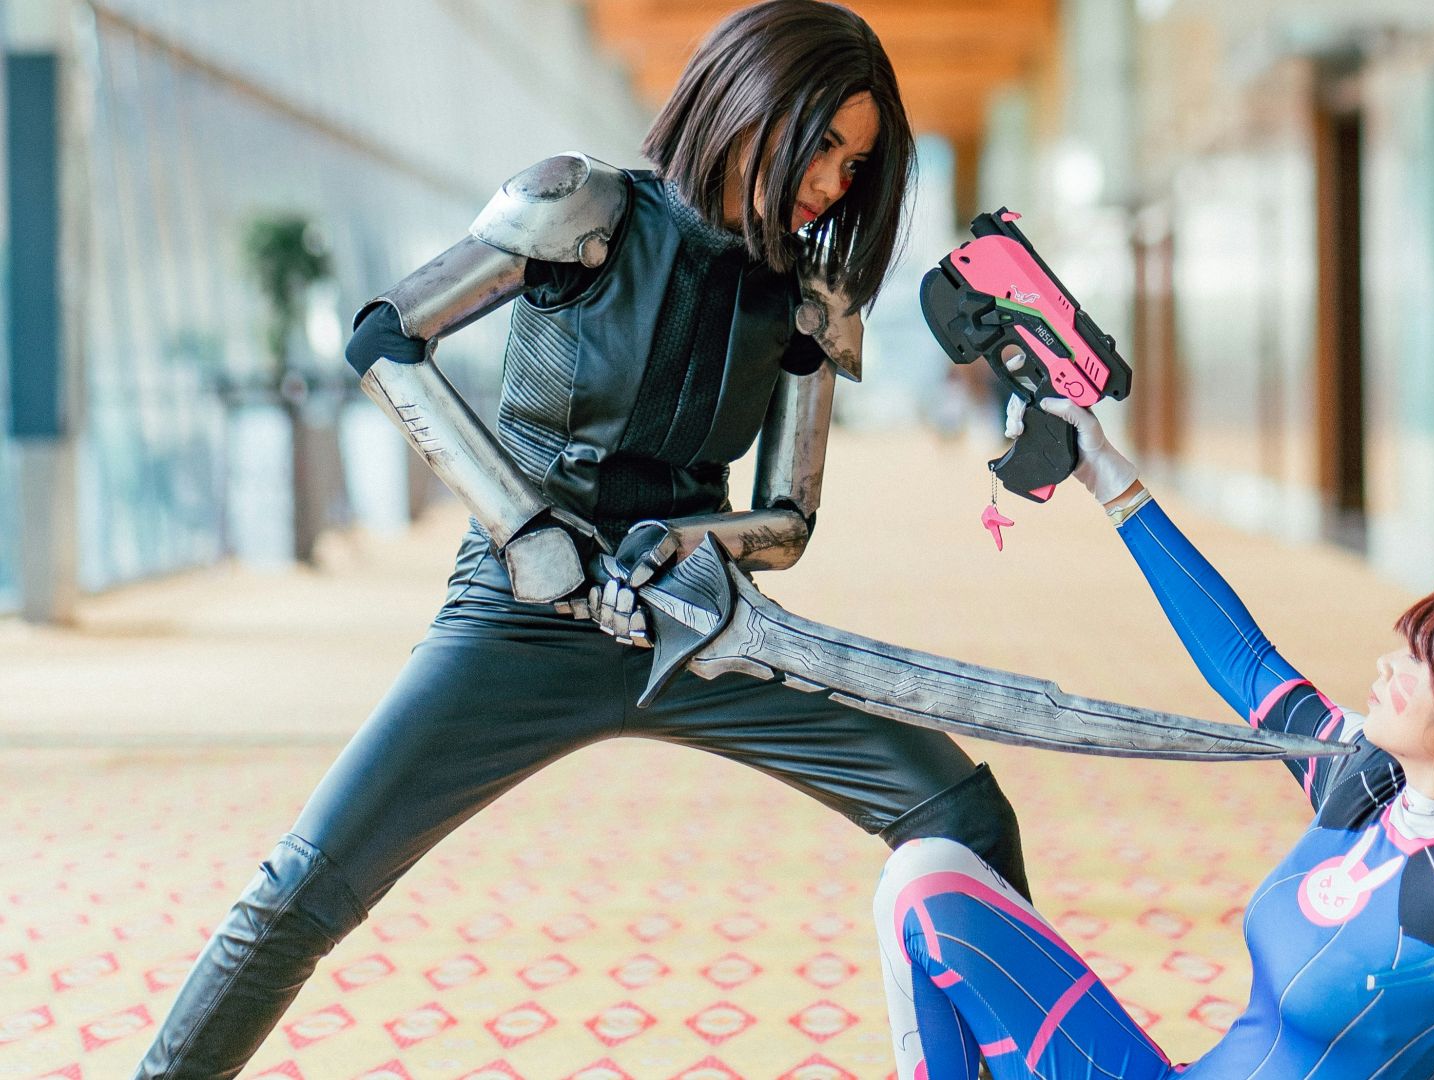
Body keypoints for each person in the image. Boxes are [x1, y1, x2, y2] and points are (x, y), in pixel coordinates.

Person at [135, 4, 1029, 1075]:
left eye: (857, 160)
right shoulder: (582, 207)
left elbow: (786, 520)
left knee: (964, 816)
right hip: (521, 618)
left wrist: (677, 548)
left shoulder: (806, 298)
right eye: (822, 141)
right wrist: (525, 527)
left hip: (699, 627)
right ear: (750, 102)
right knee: (307, 885)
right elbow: (385, 336)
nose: (833, 182)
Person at [871, 399, 1434, 1079]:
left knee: (924, 877)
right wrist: (1105, 473)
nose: (1387, 666)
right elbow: (1247, 663)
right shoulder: (1365, 783)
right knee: (926, 874)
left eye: (1421, 662)